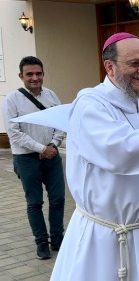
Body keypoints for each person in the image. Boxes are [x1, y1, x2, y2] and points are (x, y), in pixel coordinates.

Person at [50, 32, 139, 281]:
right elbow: (120, 151)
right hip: (107, 237)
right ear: (110, 66)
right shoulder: (90, 104)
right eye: (135, 64)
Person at [2, 56, 65, 260]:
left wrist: (53, 145)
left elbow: (61, 122)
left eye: (38, 73)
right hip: (26, 159)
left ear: (43, 74)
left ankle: (58, 239)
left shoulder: (51, 96)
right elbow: (14, 132)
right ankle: (42, 242)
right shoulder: (11, 100)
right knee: (35, 202)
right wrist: (40, 148)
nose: (35, 78)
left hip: (51, 155)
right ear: (21, 76)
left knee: (58, 199)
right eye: (29, 74)